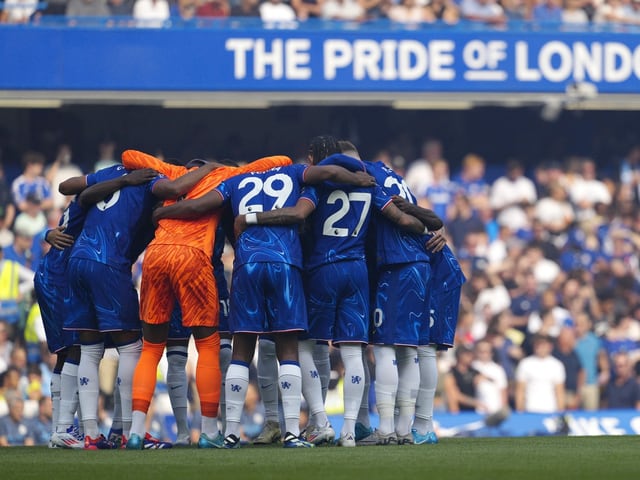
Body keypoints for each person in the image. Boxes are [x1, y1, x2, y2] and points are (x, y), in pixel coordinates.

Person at [152, 151, 377, 449]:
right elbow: (326, 174)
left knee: (241, 350)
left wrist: (164, 213)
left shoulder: (236, 179)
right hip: (285, 264)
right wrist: (356, 178)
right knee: (287, 348)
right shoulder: (293, 172)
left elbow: (198, 206)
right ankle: (292, 434)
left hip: (247, 265)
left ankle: (231, 433)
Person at [234, 136, 429, 446]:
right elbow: (402, 219)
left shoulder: (315, 186)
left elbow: (299, 217)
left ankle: (320, 420)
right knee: (354, 352)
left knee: (307, 346)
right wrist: (428, 227)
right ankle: (350, 431)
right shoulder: (369, 186)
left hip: (322, 269)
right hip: (357, 271)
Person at [121, 151, 293, 450]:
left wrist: (188, 173)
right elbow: (281, 161)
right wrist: (217, 169)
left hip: (157, 254)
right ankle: (211, 432)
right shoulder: (225, 176)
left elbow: (128, 155)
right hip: (193, 257)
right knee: (208, 346)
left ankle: (135, 433)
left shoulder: (174, 173)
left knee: (151, 349)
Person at [63, 161, 213, 449]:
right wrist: (212, 169)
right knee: (132, 346)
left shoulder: (111, 172)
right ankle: (130, 432)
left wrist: (122, 181)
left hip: (78, 260)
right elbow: (175, 187)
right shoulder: (150, 178)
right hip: (107, 262)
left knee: (90, 349)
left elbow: (74, 193)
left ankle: (91, 435)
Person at [36, 167, 157, 449]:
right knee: (78, 350)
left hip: (58, 271)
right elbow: (78, 197)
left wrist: (47, 233)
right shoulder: (109, 196)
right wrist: (47, 233)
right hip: (61, 273)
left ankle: (65, 430)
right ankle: (66, 428)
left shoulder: (103, 195)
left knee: (71, 352)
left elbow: (74, 201)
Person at [515, 334, 566, 413]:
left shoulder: (557, 365)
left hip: (550, 410)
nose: (540, 347)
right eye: (538, 344)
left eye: (543, 344)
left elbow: (559, 392)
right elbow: (520, 390)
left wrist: (561, 412)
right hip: (530, 410)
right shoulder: (525, 364)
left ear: (550, 346)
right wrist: (520, 411)